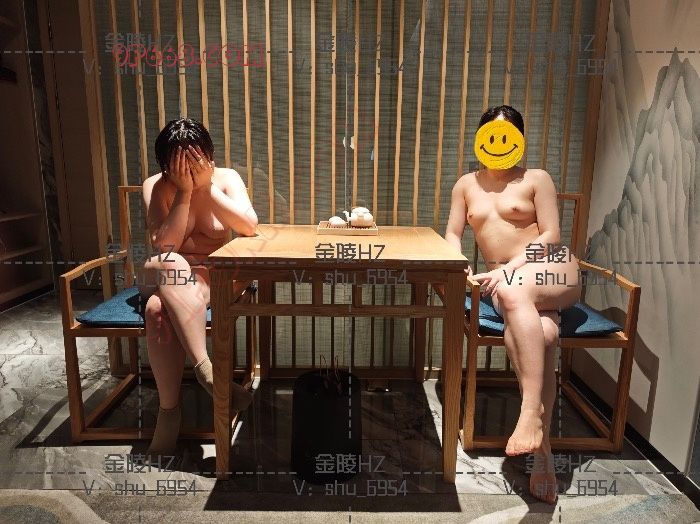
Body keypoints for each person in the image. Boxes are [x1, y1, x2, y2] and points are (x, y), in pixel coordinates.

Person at [444, 105, 581, 504]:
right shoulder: (465, 185)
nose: (499, 143)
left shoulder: (536, 178)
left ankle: (529, 412)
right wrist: (460, 261)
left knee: (512, 291)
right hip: (505, 282)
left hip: (551, 267)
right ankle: (543, 452)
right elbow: (452, 233)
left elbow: (552, 235)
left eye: (507, 136)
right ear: (480, 138)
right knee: (545, 334)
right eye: (492, 134)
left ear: (519, 141)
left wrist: (511, 268)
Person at [137, 118, 259, 457]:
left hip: (210, 277)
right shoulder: (155, 186)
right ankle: (210, 376)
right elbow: (165, 245)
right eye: (177, 165)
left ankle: (169, 413)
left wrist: (206, 188)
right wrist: (185, 193)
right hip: (159, 271)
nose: (186, 170)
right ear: (165, 165)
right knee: (170, 261)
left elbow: (249, 227)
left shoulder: (227, 179)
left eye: (194, 160)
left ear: (209, 155)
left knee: (156, 309)